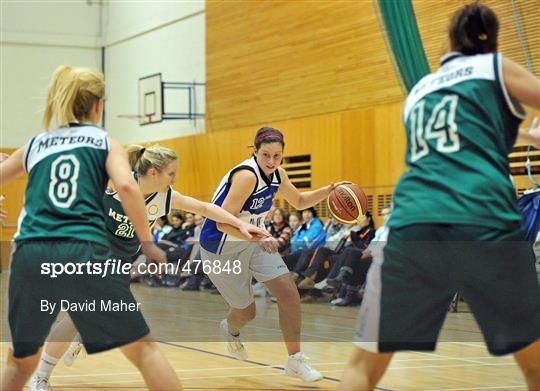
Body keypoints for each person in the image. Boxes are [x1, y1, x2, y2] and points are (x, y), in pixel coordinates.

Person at [339, 4, 540, 390]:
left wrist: (523, 136)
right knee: (534, 363)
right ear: (491, 39)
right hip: (482, 221)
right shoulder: (494, 66)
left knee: (363, 365)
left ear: (449, 41)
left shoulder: (419, 91)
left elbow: (459, 133)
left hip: (414, 225)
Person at [28, 143, 268, 390]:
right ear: (153, 172)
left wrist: (240, 225)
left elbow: (205, 208)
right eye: (171, 173)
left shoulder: (165, 197)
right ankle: (41, 377)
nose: (175, 178)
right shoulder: (114, 183)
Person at [0, 65, 181, 390]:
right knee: (145, 352)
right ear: (98, 105)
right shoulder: (102, 141)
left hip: (29, 252)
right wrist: (148, 241)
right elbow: (127, 188)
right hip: (82, 251)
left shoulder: (36, 143)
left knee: (20, 362)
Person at [199, 126, 348, 382]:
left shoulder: (278, 174)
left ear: (282, 156)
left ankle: (295, 360)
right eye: (265, 155)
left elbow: (299, 202)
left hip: (256, 240)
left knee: (289, 293)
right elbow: (222, 222)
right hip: (220, 246)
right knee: (247, 312)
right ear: (254, 152)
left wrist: (329, 190)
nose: (271, 161)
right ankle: (230, 329)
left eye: (276, 156)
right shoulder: (247, 176)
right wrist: (260, 235)